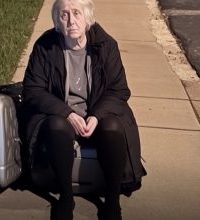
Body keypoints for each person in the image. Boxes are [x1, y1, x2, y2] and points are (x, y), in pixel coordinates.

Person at [20, 0, 146, 219]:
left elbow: (119, 90)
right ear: (57, 21)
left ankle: (113, 200)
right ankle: (66, 198)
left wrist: (96, 116)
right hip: (63, 114)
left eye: (76, 13)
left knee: (114, 126)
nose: (71, 21)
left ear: (88, 18)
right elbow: (33, 90)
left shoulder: (106, 45)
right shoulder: (45, 46)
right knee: (55, 125)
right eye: (64, 14)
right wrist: (67, 113)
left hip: (97, 113)